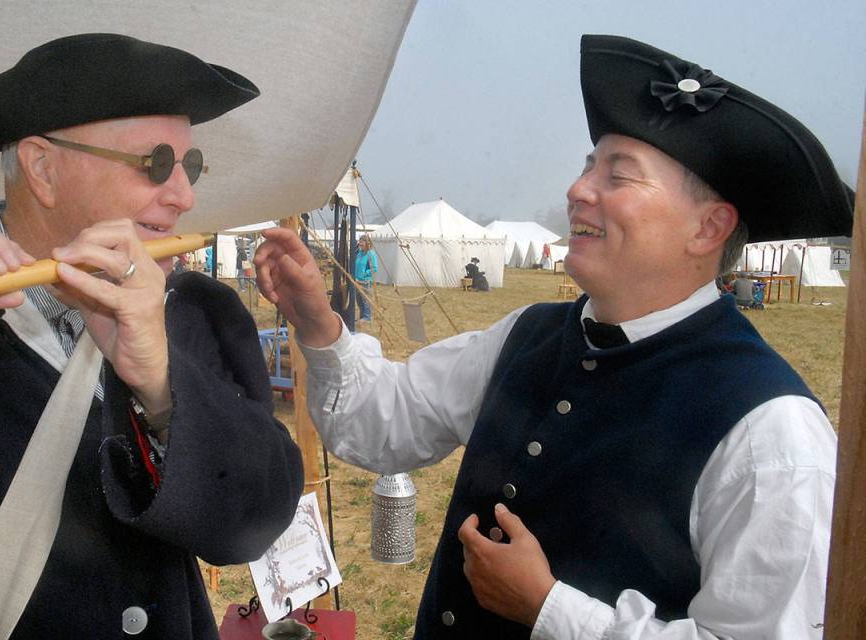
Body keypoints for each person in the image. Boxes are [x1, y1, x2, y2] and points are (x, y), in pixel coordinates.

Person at [255, 34, 852, 639]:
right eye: (588, 165)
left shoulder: (772, 434)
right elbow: (382, 422)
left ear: (708, 228)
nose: (577, 190)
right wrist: (317, 323)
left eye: (619, 175)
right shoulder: (526, 334)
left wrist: (551, 610)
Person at [0, 34, 303, 638]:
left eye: (190, 167)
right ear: (42, 168)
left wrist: (162, 388)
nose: (185, 196)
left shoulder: (198, 312)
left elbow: (256, 521)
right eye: (157, 164)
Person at [353, 234, 378, 321]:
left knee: (365, 300)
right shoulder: (360, 253)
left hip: (365, 281)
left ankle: (367, 317)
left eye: (362, 243)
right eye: (359, 243)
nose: (360, 245)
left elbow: (374, 268)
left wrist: (364, 274)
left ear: (367, 243)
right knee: (359, 300)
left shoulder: (371, 254)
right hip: (357, 280)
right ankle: (362, 315)